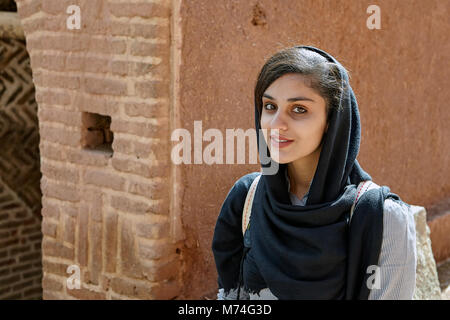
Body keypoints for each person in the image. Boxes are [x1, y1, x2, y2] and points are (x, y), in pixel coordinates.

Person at [211, 45, 417, 300]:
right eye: (270, 106)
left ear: (333, 120)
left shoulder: (382, 218)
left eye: (299, 109)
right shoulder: (246, 199)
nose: (276, 125)